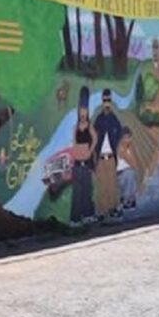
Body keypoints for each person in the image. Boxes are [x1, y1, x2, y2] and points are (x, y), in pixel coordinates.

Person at [93, 89, 123, 218]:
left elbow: (120, 131)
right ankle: (101, 211)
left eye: (109, 100)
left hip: (111, 156)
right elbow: (93, 135)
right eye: (105, 100)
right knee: (101, 186)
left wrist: (115, 143)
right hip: (100, 157)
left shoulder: (113, 118)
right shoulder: (99, 119)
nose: (107, 103)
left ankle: (112, 209)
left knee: (111, 184)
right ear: (102, 102)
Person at [70, 87, 97, 225]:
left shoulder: (89, 126)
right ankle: (75, 218)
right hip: (77, 162)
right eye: (81, 111)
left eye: (85, 111)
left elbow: (95, 138)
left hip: (86, 161)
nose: (83, 113)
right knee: (77, 192)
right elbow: (74, 141)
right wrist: (77, 152)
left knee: (87, 190)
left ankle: (87, 215)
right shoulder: (75, 127)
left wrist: (90, 151)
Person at [116, 127, 140, 212]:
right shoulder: (120, 148)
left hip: (128, 173)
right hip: (120, 175)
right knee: (130, 173)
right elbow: (132, 163)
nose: (128, 140)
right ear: (122, 138)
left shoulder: (129, 148)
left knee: (132, 173)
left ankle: (131, 200)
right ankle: (126, 200)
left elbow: (135, 164)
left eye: (129, 137)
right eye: (126, 137)